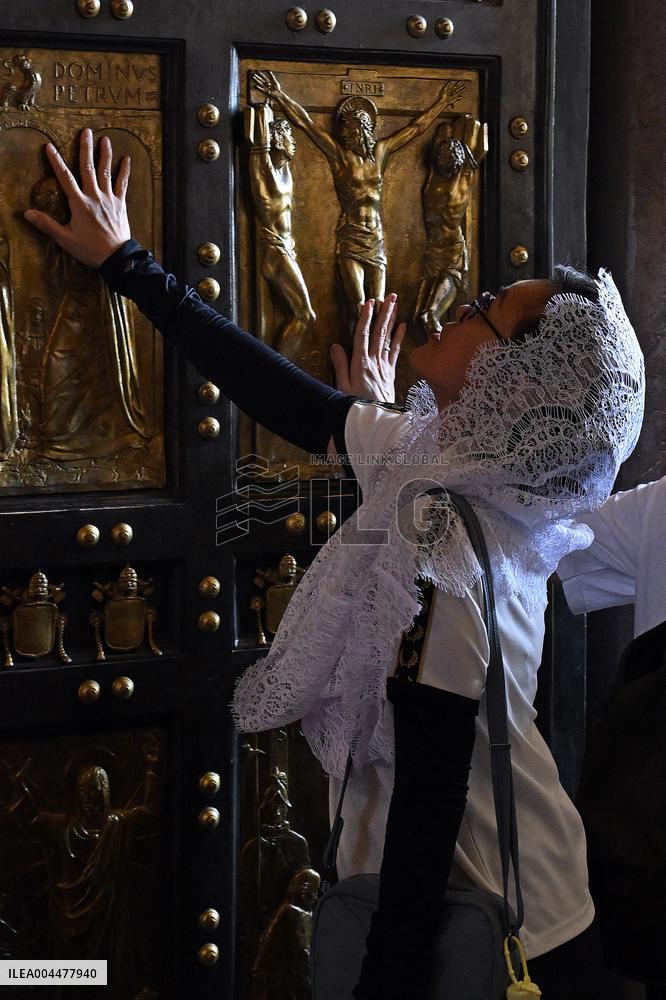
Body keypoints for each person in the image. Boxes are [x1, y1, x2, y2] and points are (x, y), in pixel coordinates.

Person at [24, 128, 645, 1000]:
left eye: (492, 308)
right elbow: (291, 399)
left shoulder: (454, 533)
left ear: (520, 386)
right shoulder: (462, 475)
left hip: (502, 941)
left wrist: (382, 987)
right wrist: (128, 262)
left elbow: (431, 799)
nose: (467, 302)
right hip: (500, 913)